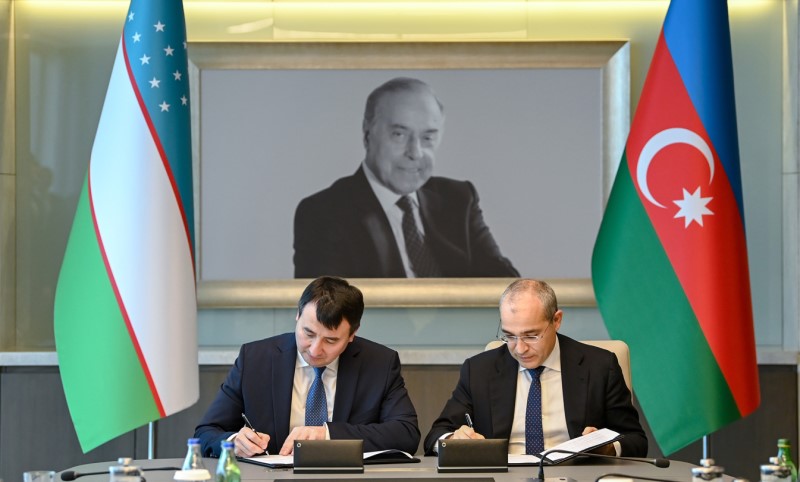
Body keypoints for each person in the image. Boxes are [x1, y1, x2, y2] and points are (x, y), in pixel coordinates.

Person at [293, 77, 518, 278]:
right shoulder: (324, 214)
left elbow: (507, 289)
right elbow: (328, 307)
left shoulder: (459, 200)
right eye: (399, 135)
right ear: (367, 133)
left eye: (427, 138)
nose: (415, 153)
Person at [194, 276, 420, 457]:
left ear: (352, 334)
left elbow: (406, 433)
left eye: (331, 340)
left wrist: (326, 435)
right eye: (308, 333)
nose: (315, 349)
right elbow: (206, 433)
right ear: (297, 315)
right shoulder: (255, 359)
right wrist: (234, 441)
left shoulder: (379, 363)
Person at [423, 279, 647, 457]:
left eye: (531, 336)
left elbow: (636, 440)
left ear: (556, 320)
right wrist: (454, 440)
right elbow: (435, 436)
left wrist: (607, 448)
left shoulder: (599, 366)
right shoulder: (479, 370)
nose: (520, 349)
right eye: (510, 336)